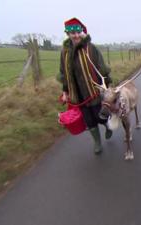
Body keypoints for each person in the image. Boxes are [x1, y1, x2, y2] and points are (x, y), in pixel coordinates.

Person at [59, 17, 112, 155]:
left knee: (100, 116)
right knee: (89, 121)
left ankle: (108, 127)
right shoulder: (64, 52)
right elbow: (64, 73)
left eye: (78, 32)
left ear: (81, 32)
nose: (76, 35)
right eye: (72, 33)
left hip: (93, 91)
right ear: (68, 34)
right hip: (78, 93)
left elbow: (102, 68)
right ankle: (97, 143)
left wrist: (108, 85)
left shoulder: (90, 48)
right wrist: (65, 92)